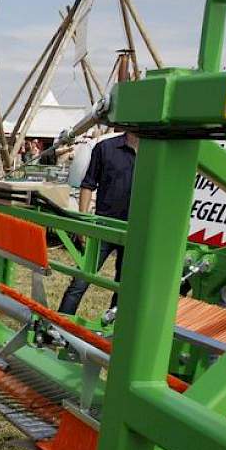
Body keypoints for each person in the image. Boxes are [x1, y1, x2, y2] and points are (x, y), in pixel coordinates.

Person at [57, 132, 138, 316]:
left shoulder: (155, 153)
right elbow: (88, 184)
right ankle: (59, 325)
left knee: (124, 286)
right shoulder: (106, 148)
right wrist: (83, 224)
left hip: (136, 231)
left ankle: (113, 329)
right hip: (103, 227)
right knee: (81, 280)